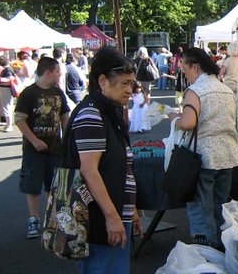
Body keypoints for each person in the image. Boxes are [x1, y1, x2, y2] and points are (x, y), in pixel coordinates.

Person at [69, 47, 143, 273]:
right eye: (124, 83)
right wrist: (112, 217)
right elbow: (89, 170)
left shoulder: (108, 111)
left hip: (115, 212)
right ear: (102, 81)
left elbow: (121, 168)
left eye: (132, 84)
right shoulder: (92, 114)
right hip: (100, 218)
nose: (130, 90)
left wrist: (132, 211)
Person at [168, 48, 238, 251]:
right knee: (220, 207)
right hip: (227, 155)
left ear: (195, 67)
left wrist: (174, 119)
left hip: (203, 157)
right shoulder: (225, 89)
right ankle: (222, 249)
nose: (184, 74)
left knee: (201, 209)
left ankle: (206, 253)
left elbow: (188, 122)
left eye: (185, 69)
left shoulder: (195, 91)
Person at [14, 57, 70, 238]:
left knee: (54, 185)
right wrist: (33, 140)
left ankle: (53, 218)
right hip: (33, 152)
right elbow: (20, 119)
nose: (59, 75)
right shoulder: (28, 94)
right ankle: (33, 219)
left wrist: (67, 139)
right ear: (48, 73)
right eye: (57, 72)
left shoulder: (58, 93)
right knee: (32, 186)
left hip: (55, 149)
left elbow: (64, 117)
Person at [0, 55, 17, 132]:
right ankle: (8, 124)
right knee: (6, 107)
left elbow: (10, 79)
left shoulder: (7, 69)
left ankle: (9, 125)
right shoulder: (8, 69)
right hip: (4, 89)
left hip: (5, 90)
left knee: (6, 107)